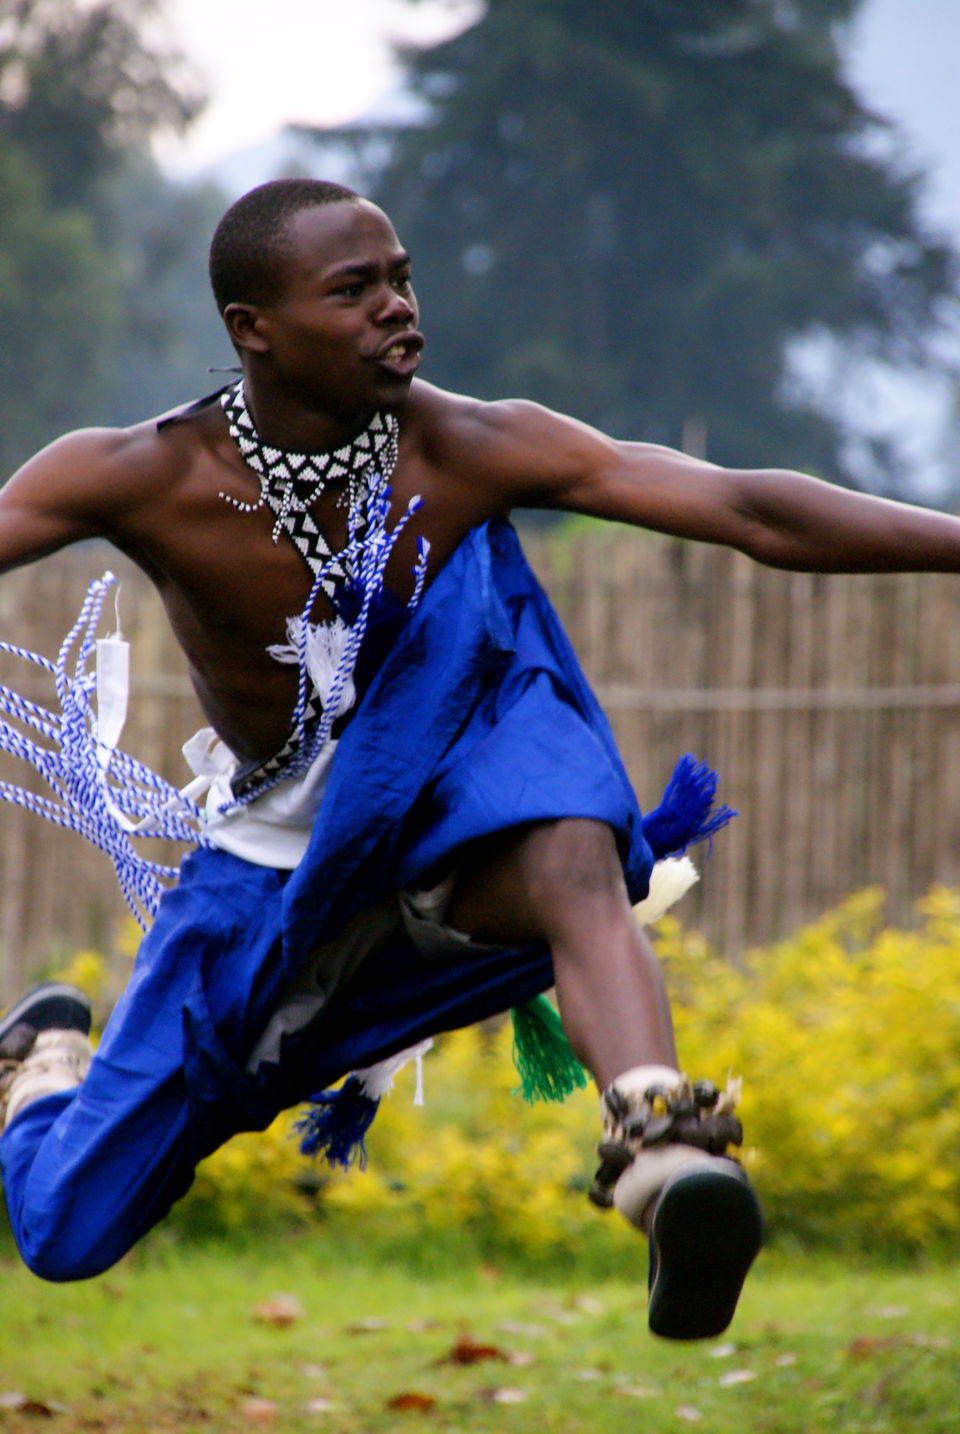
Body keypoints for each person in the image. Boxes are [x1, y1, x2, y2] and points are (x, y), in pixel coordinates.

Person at [2, 178, 959, 1339]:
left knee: (571, 845)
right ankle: (42, 1068)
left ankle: (663, 1147)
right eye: (353, 291)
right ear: (252, 327)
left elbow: (749, 509)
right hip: (273, 864)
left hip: (450, 817)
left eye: (402, 279)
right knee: (68, 1230)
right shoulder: (138, 473)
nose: (397, 309)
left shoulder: (468, 448)